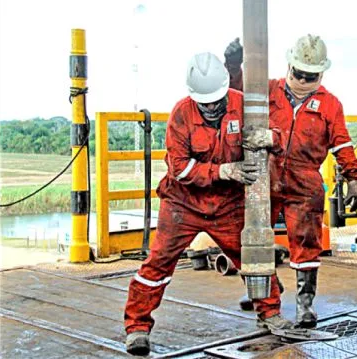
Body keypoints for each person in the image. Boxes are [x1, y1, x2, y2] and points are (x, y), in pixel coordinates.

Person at [124, 52, 293, 356]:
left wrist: (271, 137)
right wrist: (223, 171)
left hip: (227, 204)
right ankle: (137, 327)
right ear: (194, 97)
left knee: (254, 256)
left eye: (216, 101)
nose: (212, 108)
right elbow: (180, 168)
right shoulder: (181, 115)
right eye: (206, 103)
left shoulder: (244, 105)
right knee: (159, 261)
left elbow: (281, 136)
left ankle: (270, 314)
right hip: (183, 202)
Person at [225, 35, 357, 329]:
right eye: (298, 73)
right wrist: (233, 65)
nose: (302, 79)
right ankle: (266, 293)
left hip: (305, 181)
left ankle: (305, 306)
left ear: (321, 74)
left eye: (309, 75)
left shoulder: (330, 105)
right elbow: (235, 93)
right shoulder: (268, 90)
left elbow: (341, 144)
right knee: (250, 236)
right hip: (265, 175)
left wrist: (354, 178)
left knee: (306, 243)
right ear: (289, 66)